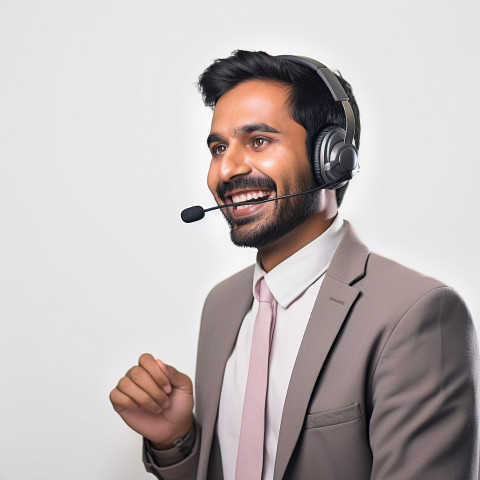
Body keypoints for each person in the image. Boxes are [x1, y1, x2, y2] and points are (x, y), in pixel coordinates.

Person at [110, 50, 479, 480]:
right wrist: (175, 440)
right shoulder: (221, 305)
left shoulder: (415, 314)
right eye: (218, 147)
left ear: (331, 158)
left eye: (259, 141)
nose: (227, 169)